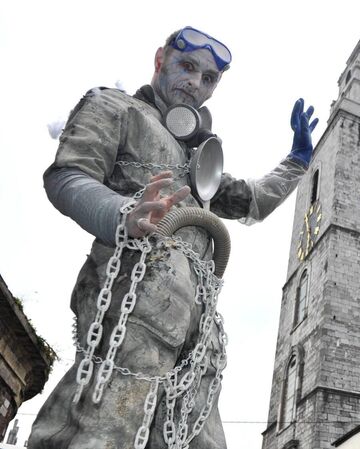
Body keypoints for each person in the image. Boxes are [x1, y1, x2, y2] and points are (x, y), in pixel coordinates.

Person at [30, 26, 318, 449]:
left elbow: (252, 200)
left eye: (209, 79)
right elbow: (67, 176)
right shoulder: (116, 107)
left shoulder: (199, 157)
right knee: (105, 430)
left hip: (199, 330)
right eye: (187, 67)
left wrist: (296, 161)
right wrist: (123, 212)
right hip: (132, 300)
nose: (195, 83)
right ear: (160, 60)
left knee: (202, 441)